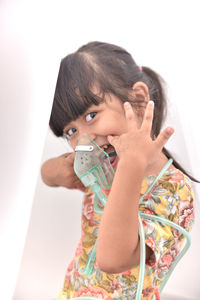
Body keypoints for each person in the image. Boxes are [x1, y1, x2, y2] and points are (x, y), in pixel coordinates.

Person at [41, 42, 197, 300]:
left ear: (137, 99)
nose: (84, 141)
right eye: (71, 131)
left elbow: (112, 259)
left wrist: (131, 164)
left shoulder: (173, 191)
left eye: (91, 115)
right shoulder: (100, 165)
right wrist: (58, 170)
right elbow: (47, 174)